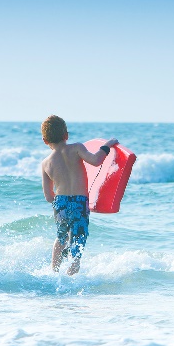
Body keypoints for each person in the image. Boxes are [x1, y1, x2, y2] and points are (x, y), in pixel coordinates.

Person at [40, 115, 117, 275]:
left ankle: (53, 270)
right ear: (66, 135)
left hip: (60, 202)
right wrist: (107, 145)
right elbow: (96, 161)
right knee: (78, 235)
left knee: (61, 236)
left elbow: (48, 197)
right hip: (79, 201)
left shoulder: (45, 163)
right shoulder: (76, 148)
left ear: (44, 141)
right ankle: (73, 268)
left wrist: (61, 200)